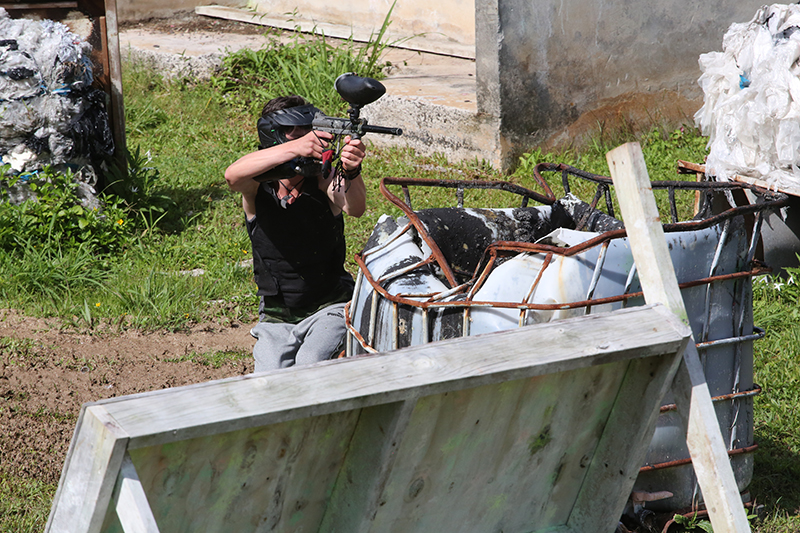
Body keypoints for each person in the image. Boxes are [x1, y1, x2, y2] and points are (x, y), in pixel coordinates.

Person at [224, 95, 367, 372]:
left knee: (309, 365)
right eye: (295, 130)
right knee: (269, 380)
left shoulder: (323, 179)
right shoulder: (256, 188)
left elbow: (355, 207)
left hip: (330, 306)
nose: (306, 137)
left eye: (309, 129)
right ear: (273, 134)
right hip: (277, 316)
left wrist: (352, 170)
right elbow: (233, 175)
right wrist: (296, 148)